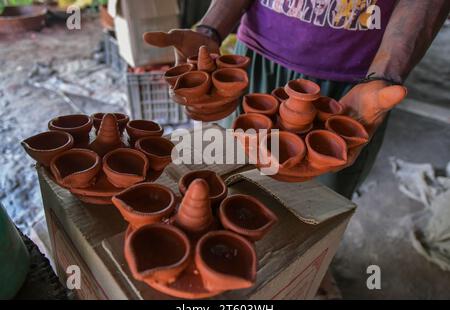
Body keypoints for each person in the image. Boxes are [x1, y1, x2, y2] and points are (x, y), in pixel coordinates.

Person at [146, 0, 450, 198]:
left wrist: (384, 75)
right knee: (231, 177)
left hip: (352, 86)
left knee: (317, 199)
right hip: (255, 61)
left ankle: (309, 269)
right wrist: (211, 29)